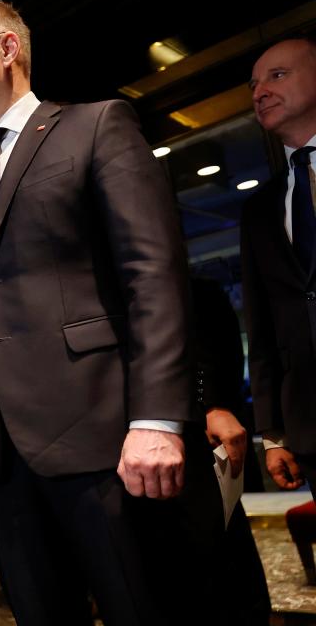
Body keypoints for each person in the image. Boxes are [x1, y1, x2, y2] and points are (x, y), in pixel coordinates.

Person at [0, 0, 222, 625]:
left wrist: (159, 419)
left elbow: (154, 277)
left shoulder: (96, 126)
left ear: (8, 49)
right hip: (1, 457)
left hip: (106, 438)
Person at [241, 36, 316, 495]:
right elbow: (263, 324)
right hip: (311, 431)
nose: (259, 91)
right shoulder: (259, 209)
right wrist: (273, 433)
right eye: (254, 84)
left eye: (277, 75)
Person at [190, 276, 271, 625]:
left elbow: (215, 350)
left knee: (226, 570)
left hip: (200, 444)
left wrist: (212, 404)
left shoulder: (196, 289)